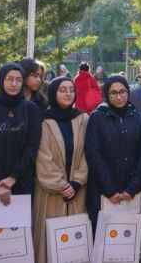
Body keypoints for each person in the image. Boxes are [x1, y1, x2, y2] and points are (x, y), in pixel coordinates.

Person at [0, 63, 42, 262]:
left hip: (21, 183)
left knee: (18, 242)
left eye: (18, 80)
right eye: (9, 79)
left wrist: (12, 178)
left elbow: (32, 147)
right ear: (1, 80)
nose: (14, 84)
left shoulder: (31, 110)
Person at [33, 77, 89, 263]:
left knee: (74, 244)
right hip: (50, 194)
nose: (68, 93)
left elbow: (87, 153)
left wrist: (77, 182)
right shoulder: (43, 121)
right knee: (50, 245)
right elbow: (43, 157)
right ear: (53, 93)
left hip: (77, 191)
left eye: (71, 90)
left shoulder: (82, 119)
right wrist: (61, 185)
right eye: (62, 90)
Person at [84, 75, 141, 229]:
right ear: (106, 94)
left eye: (123, 92)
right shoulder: (97, 117)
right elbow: (93, 154)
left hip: (132, 192)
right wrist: (109, 189)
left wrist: (132, 188)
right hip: (103, 191)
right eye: (114, 93)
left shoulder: (138, 118)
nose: (119, 97)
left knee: (129, 235)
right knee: (103, 235)